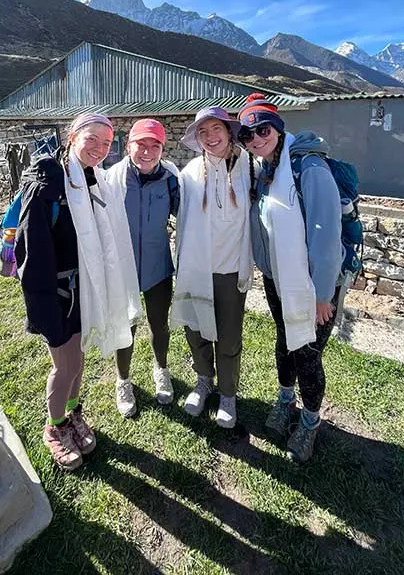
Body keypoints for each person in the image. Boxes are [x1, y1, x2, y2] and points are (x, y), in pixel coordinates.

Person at [15, 113, 141, 471]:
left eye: (106, 143)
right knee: (65, 365)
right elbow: (32, 251)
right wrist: (44, 310)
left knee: (78, 362)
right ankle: (53, 428)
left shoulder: (92, 180)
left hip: (84, 290)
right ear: (72, 137)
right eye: (92, 140)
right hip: (57, 296)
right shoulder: (49, 183)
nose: (100, 149)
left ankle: (72, 415)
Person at [237, 93, 343, 463]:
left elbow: (326, 236)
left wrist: (323, 295)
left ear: (278, 129)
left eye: (262, 129)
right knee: (285, 341)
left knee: (308, 352)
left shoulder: (307, 168)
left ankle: (310, 423)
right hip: (278, 278)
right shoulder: (266, 172)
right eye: (247, 136)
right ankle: (285, 400)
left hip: (314, 285)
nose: (256, 139)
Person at [170, 107, 254, 429]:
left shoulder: (250, 166)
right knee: (196, 328)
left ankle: (228, 394)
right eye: (203, 132)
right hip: (196, 265)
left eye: (216, 128)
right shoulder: (190, 173)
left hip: (231, 268)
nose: (210, 137)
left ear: (229, 130)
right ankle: (204, 380)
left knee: (229, 335)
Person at [106, 119, 180, 417]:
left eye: (155, 145)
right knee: (125, 327)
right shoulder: (111, 179)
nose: (147, 151)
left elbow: (190, 215)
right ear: (128, 146)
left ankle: (161, 369)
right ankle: (123, 381)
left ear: (163, 148)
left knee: (159, 324)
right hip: (123, 270)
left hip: (158, 267)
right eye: (141, 144)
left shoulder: (170, 179)